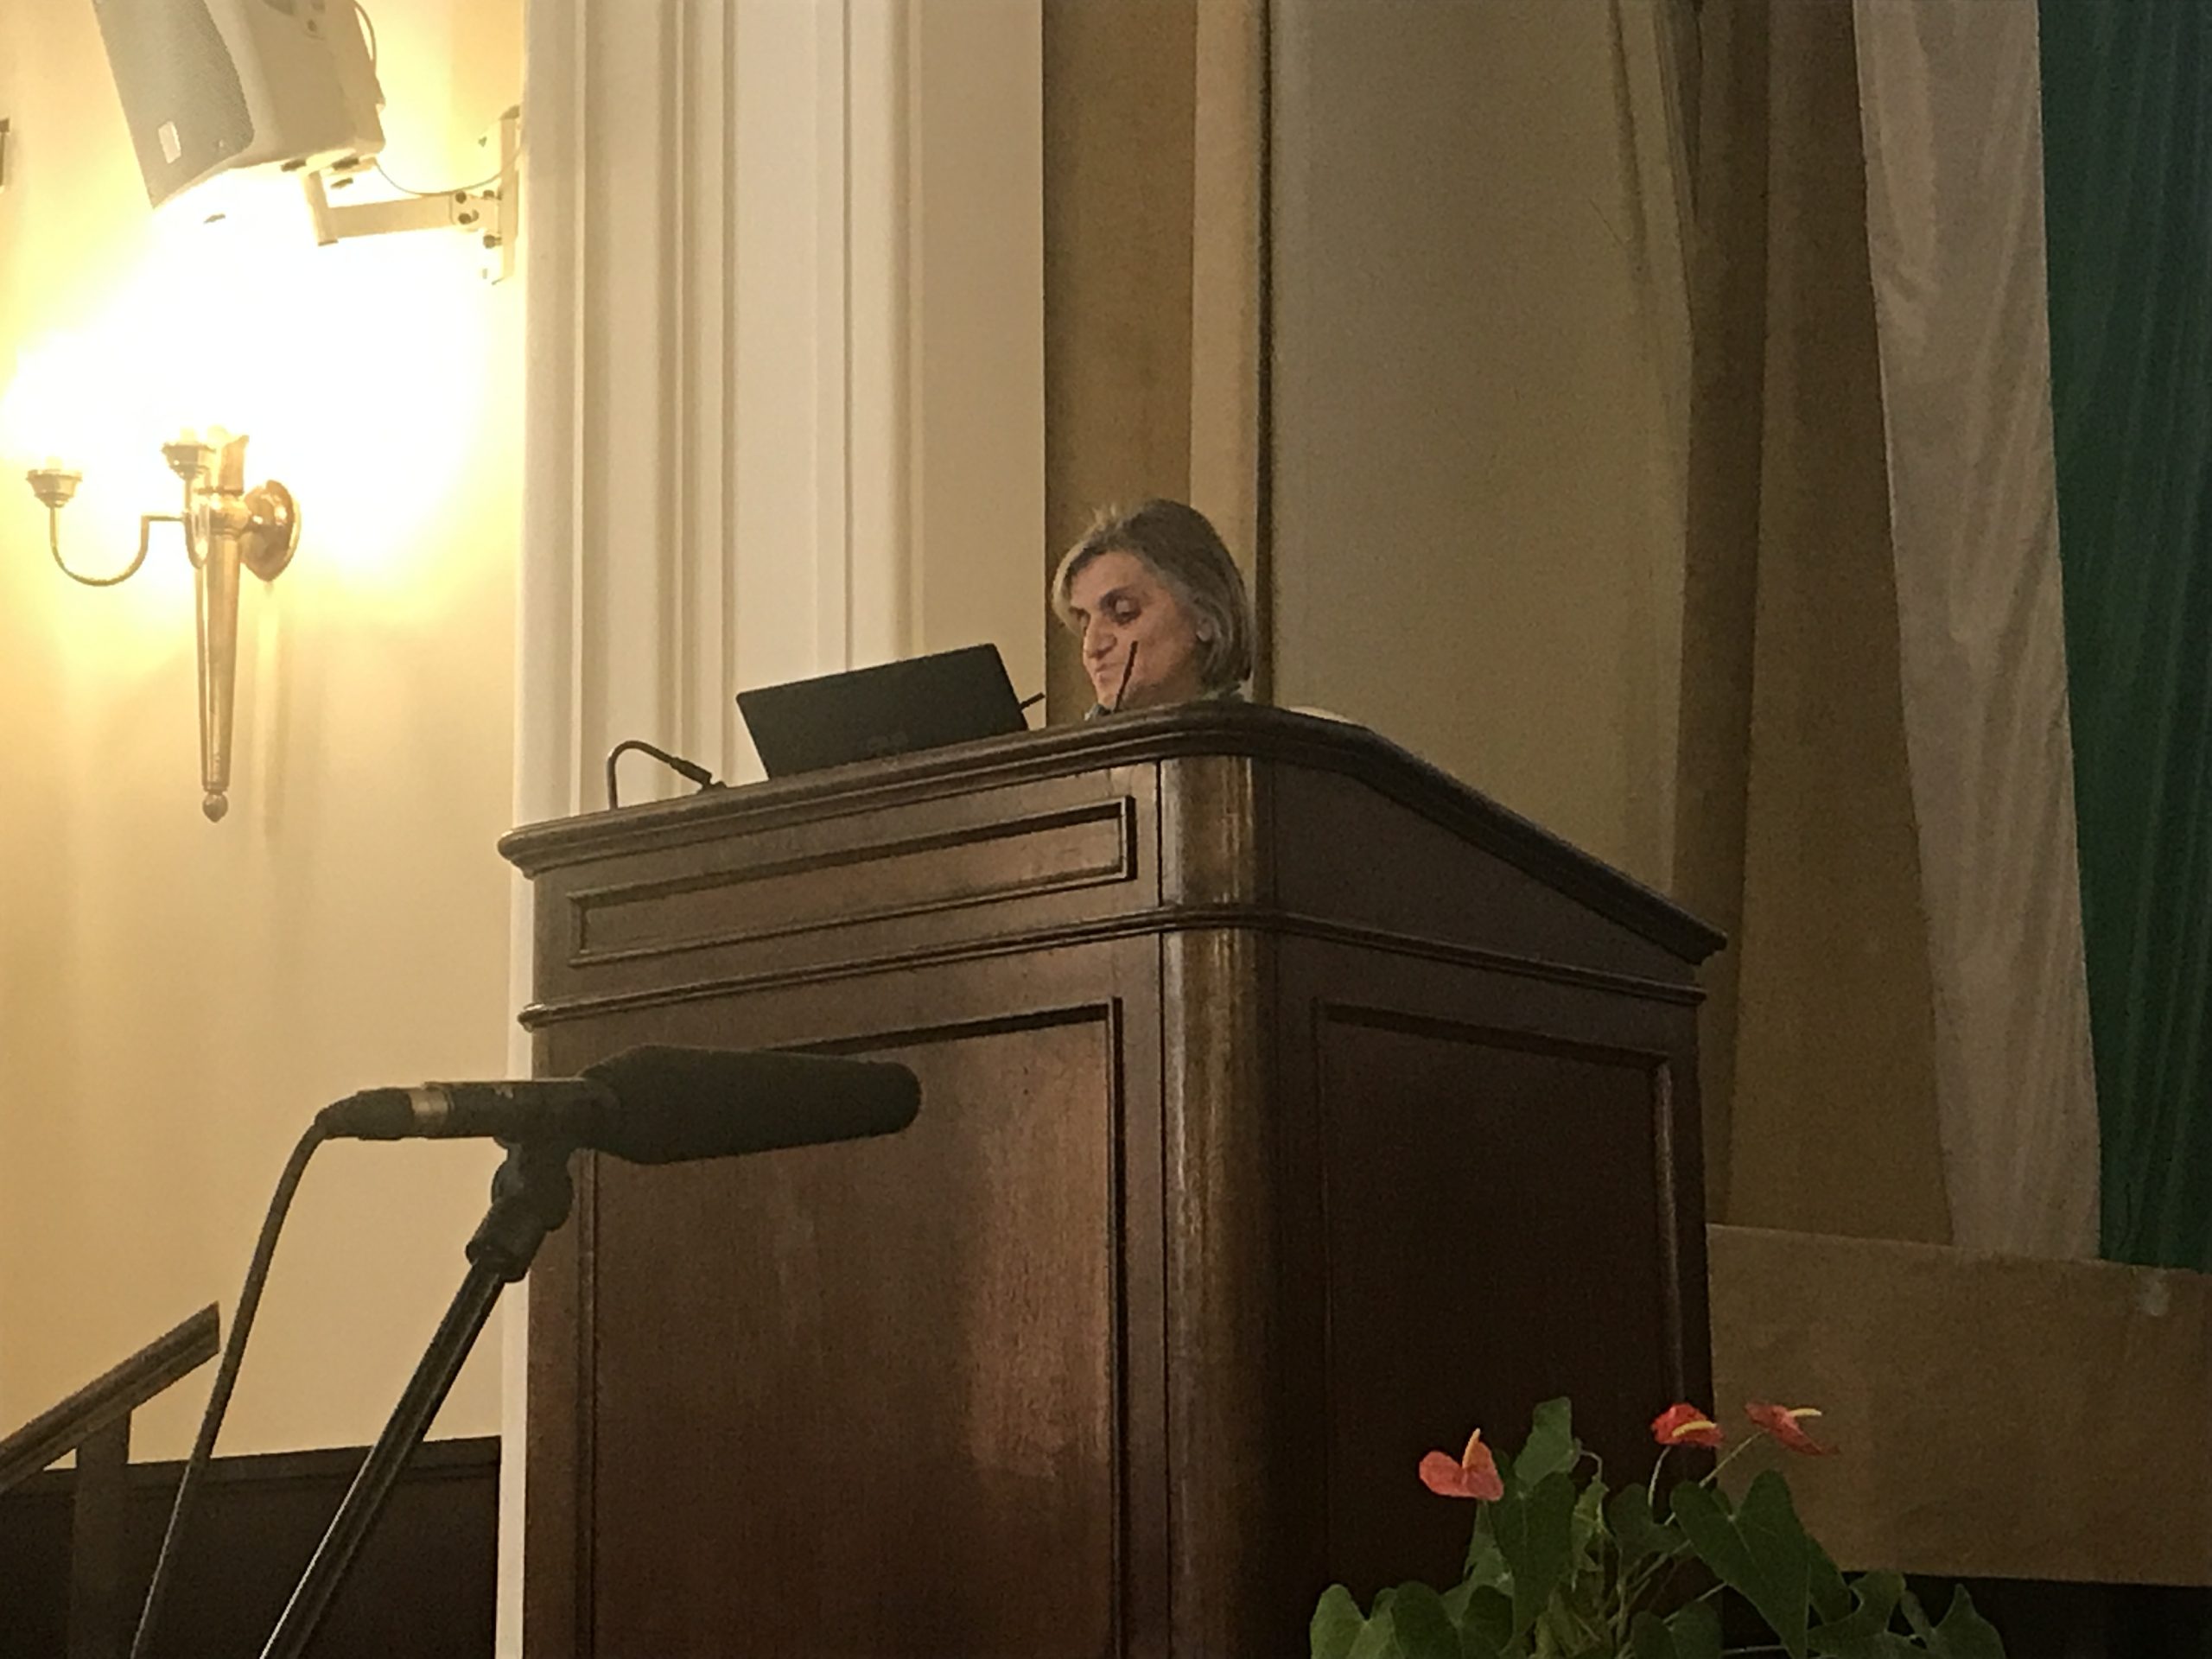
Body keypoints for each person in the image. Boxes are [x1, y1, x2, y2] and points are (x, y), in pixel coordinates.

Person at [1050, 499, 1256, 715]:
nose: (1092, 648)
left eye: (1124, 612)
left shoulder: (1257, 734)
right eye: (1085, 625)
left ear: (1205, 614)